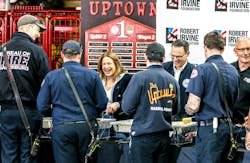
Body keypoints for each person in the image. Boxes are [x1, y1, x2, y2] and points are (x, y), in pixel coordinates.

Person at [37, 40, 108, 163]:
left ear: (61, 54)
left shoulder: (51, 77)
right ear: (79, 55)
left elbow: (42, 106)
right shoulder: (92, 75)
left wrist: (54, 113)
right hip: (86, 126)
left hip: (61, 126)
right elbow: (102, 103)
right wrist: (92, 112)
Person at [0, 14, 50, 163]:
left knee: (8, 155)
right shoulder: (37, 51)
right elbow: (46, 83)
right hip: (29, 112)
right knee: (29, 155)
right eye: (37, 29)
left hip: (6, 112)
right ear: (27, 27)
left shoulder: (2, 50)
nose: (38, 34)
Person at [185, 30, 239, 163]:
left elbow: (193, 106)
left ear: (205, 47)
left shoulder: (201, 69)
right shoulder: (233, 71)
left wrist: (186, 109)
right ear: (222, 48)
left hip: (210, 130)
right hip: (228, 130)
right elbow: (235, 101)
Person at [122, 42, 179, 163]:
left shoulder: (139, 77)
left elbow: (126, 107)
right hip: (164, 137)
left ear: (145, 57)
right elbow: (175, 110)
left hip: (142, 136)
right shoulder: (172, 80)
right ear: (163, 58)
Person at [163, 39, 195, 120]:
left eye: (179, 56)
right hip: (165, 117)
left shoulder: (194, 72)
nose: (175, 59)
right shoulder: (163, 69)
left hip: (185, 119)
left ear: (187, 54)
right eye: (173, 56)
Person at [97, 51, 132, 120]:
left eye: (109, 63)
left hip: (120, 122)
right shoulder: (98, 80)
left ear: (116, 64)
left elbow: (131, 101)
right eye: (104, 64)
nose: (106, 67)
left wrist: (117, 104)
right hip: (101, 122)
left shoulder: (126, 79)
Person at [231, 37, 250, 162]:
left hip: (244, 129)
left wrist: (249, 128)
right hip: (225, 127)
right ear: (235, 51)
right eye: (241, 49)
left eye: (248, 49)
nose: (245, 53)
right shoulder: (228, 69)